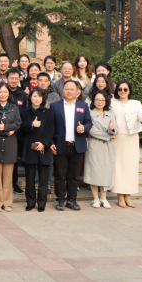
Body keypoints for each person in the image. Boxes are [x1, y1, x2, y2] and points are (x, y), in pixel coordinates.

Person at [50, 80, 92, 211]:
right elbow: (50, 127)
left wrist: (83, 128)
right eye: (66, 89)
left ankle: (72, 200)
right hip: (60, 145)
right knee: (60, 174)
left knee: (74, 175)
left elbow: (89, 123)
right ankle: (61, 199)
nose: (69, 91)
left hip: (77, 145)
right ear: (62, 90)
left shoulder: (83, 106)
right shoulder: (54, 106)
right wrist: (51, 143)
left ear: (77, 92)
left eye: (72, 89)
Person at [110, 81, 142, 208]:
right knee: (119, 167)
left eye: (125, 89)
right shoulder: (112, 103)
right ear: (117, 91)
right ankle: (120, 196)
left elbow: (141, 114)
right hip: (117, 138)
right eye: (120, 89)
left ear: (129, 91)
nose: (122, 91)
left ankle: (128, 196)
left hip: (132, 138)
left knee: (131, 167)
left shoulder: (136, 103)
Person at [0, 84, 22, 212]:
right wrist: (7, 132)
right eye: (0, 92)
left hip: (10, 145)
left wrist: (4, 127)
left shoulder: (14, 107)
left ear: (8, 94)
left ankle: (7, 202)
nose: (2, 94)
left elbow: (17, 123)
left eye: (5, 92)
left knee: (8, 176)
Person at [20, 88, 54, 212]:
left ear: (43, 98)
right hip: (29, 147)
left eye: (39, 96)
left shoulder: (48, 113)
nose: (37, 99)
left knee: (43, 179)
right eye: (34, 96)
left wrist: (44, 143)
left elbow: (51, 130)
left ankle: (41, 203)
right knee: (29, 178)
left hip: (43, 148)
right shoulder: (24, 111)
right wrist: (31, 125)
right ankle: (30, 202)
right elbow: (20, 127)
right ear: (30, 97)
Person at [84, 91, 117, 209]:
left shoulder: (110, 114)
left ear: (106, 101)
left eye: (102, 100)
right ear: (93, 101)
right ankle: (95, 198)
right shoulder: (89, 114)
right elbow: (92, 130)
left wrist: (112, 129)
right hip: (95, 145)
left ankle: (103, 198)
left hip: (108, 147)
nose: (99, 102)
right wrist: (108, 135)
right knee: (94, 171)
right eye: (97, 99)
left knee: (106, 172)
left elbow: (116, 128)